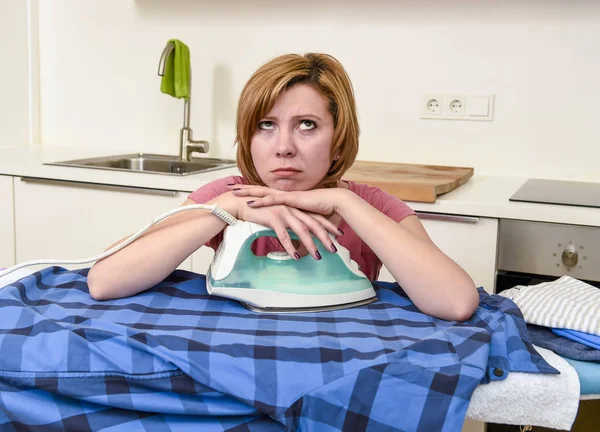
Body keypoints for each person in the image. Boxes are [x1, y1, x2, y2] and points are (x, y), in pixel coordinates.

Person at [87, 53, 478, 321]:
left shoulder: (371, 205)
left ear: (338, 138)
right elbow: (105, 280)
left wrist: (345, 202)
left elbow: (457, 302)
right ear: (248, 137)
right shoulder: (230, 195)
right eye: (266, 125)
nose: (285, 147)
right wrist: (227, 209)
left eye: (307, 125)